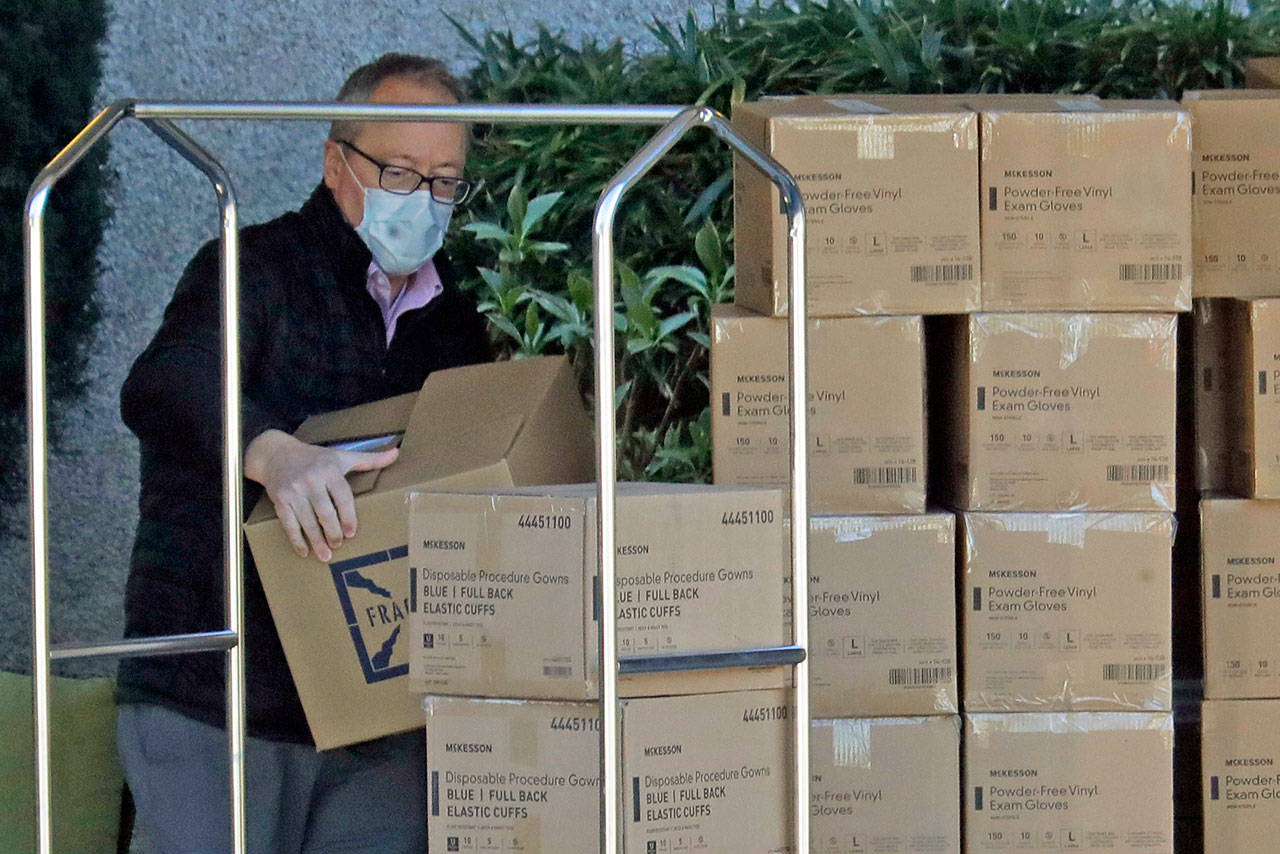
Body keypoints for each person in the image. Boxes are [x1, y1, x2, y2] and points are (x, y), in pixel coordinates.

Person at [115, 53, 490, 852]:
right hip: (214, 695)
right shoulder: (255, 266)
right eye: (399, 171)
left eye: (445, 181)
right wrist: (273, 453)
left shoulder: (458, 318)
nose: (422, 199)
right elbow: (166, 382)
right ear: (335, 164)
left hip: (374, 714)